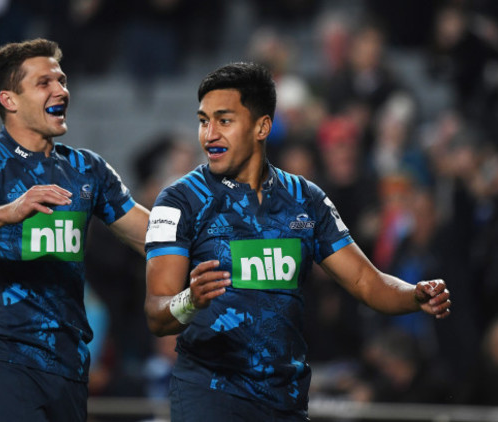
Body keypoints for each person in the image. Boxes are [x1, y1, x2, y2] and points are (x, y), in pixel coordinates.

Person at [143, 62, 451, 421]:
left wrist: (414, 295)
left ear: (262, 127)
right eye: (203, 120)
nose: (209, 134)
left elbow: (367, 282)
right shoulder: (178, 201)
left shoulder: (307, 199)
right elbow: (156, 311)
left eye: (223, 121)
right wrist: (189, 300)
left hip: (284, 401)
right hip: (210, 398)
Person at [0, 38, 150, 422]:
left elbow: (150, 236)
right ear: (10, 100)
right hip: (2, 362)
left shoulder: (88, 169)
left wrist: (223, 252)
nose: (61, 90)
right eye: (44, 83)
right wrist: (7, 212)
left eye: (62, 79)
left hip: (69, 366)